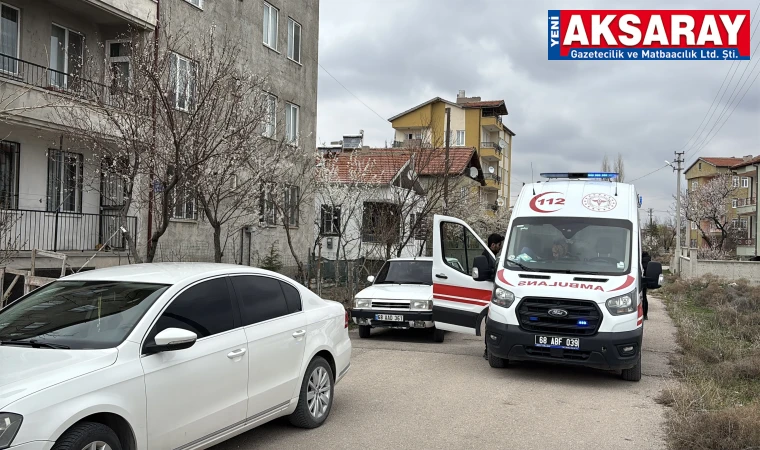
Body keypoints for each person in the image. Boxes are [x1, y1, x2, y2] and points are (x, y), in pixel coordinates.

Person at [483, 233, 505, 359]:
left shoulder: (492, 256)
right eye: (499, 244)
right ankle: (488, 350)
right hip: (487, 296)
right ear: (493, 245)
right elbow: (489, 275)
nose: (500, 247)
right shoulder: (486, 257)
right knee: (489, 323)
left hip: (491, 296)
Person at [641, 251, 651, 320]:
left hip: (640, 279)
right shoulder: (649, 260)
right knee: (644, 297)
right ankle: (645, 315)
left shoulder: (641, 260)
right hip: (645, 280)